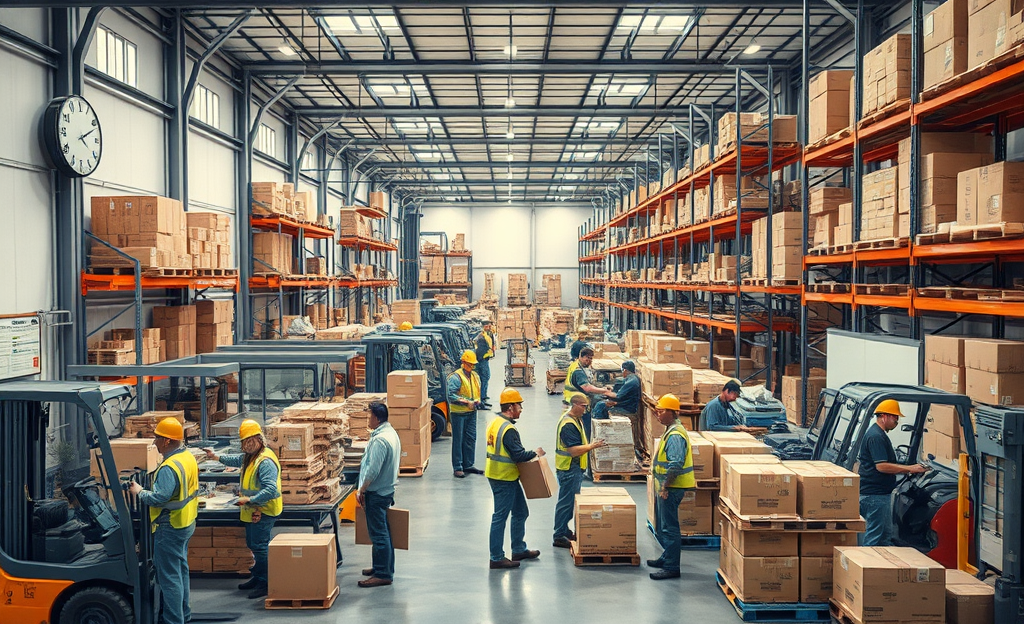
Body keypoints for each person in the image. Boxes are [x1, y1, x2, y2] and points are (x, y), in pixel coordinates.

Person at [129, 418, 198, 624]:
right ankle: (184, 615)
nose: (154, 442)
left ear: (167, 441)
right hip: (186, 522)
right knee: (180, 571)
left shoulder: (169, 467)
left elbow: (160, 497)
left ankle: (173, 620)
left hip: (170, 526)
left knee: (169, 578)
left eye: (157, 438)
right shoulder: (187, 457)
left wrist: (139, 492)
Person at [203, 420, 282, 599]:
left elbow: (271, 490)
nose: (246, 445)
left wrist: (250, 499)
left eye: (249, 441)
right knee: (253, 545)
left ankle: (266, 582)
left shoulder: (265, 461)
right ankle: (259, 577)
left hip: (264, 510)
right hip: (252, 509)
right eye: (243, 442)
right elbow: (237, 460)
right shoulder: (250, 456)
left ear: (258, 439)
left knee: (260, 547)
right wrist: (216, 457)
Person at [485, 387, 545, 569]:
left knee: (520, 512)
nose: (521, 409)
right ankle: (496, 557)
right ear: (511, 407)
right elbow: (518, 455)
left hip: (501, 474)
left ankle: (518, 548)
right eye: (519, 405)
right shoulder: (508, 429)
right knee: (500, 516)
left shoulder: (496, 422)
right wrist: (536, 452)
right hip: (503, 477)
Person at [858, 399, 928, 546]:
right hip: (875, 495)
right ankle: (869, 566)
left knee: (884, 536)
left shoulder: (878, 434)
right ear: (884, 416)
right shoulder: (876, 436)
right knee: (875, 538)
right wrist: (910, 469)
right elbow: (881, 466)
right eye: (895, 417)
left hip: (877, 494)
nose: (897, 421)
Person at [647, 394, 695, 580]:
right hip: (668, 487)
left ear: (672, 412)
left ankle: (672, 567)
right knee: (664, 525)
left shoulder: (675, 435)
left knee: (670, 528)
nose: (658, 415)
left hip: (671, 488)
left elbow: (675, 464)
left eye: (661, 411)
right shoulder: (672, 429)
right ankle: (666, 557)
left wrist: (665, 486)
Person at [355, 402, 401, 587]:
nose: (368, 419)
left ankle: (383, 574)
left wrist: (361, 489)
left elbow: (372, 471)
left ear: (376, 418)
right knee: (382, 532)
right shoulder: (391, 433)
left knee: (379, 534)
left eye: (369, 416)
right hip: (386, 490)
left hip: (377, 493)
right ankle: (381, 566)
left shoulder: (380, 440)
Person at [552, 393, 606, 548]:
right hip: (569, 468)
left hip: (574, 468)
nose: (585, 409)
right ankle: (559, 535)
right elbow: (573, 450)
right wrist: (592, 446)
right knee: (565, 503)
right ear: (575, 404)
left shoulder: (575, 419)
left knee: (569, 502)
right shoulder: (568, 424)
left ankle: (563, 529)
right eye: (583, 406)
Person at [591, 360, 648, 464]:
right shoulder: (632, 379)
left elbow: (618, 396)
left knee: (599, 405)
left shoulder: (631, 381)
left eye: (622, 371)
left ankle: (601, 436)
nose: (622, 373)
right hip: (625, 405)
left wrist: (605, 392)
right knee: (602, 403)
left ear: (625, 370)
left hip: (626, 410)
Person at [448, 349, 484, 478]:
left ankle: (468, 464)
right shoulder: (456, 377)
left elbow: (477, 391)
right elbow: (451, 395)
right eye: (470, 364)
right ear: (463, 362)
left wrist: (478, 401)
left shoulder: (475, 376)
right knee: (458, 440)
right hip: (458, 413)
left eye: (473, 364)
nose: (472, 366)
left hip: (471, 412)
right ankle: (458, 466)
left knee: (470, 438)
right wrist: (465, 402)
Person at [564, 347, 615, 435]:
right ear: (581, 356)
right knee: (586, 427)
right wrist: (604, 391)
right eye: (587, 358)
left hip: (573, 399)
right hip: (578, 402)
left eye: (591, 358)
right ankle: (588, 443)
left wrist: (601, 388)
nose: (590, 360)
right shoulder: (578, 371)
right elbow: (587, 388)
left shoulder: (576, 365)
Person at [475, 320, 497, 408]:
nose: (489, 328)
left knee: (486, 377)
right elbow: (479, 350)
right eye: (488, 326)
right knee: (484, 378)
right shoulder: (481, 336)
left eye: (490, 326)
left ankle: (483, 397)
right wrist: (482, 358)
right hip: (482, 360)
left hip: (485, 359)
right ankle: (481, 400)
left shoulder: (488, 334)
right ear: (484, 326)